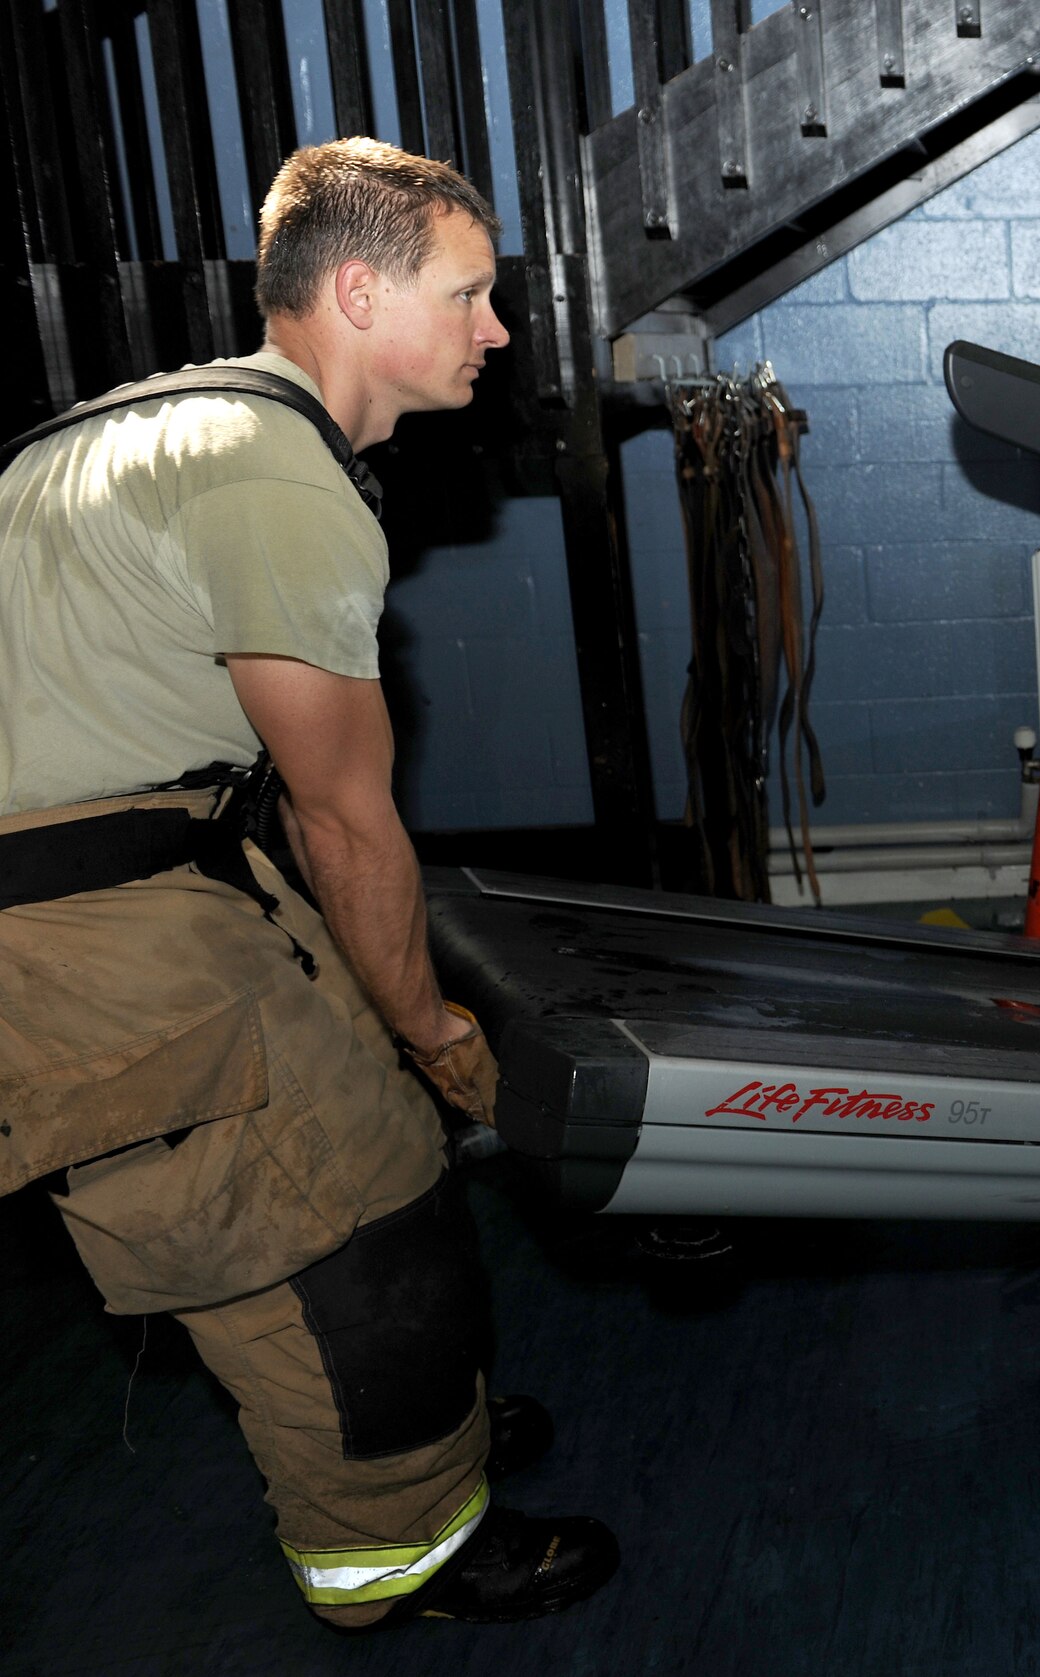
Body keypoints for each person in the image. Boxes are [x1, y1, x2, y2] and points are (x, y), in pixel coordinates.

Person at [0, 139, 618, 1631]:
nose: (496, 330)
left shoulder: (154, 422)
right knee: (329, 1234)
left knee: (379, 1154)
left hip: (150, 859)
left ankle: (428, 1446)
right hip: (83, 931)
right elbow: (345, 818)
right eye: (470, 296)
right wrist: (436, 1029)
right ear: (357, 290)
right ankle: (398, 1556)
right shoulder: (272, 471)